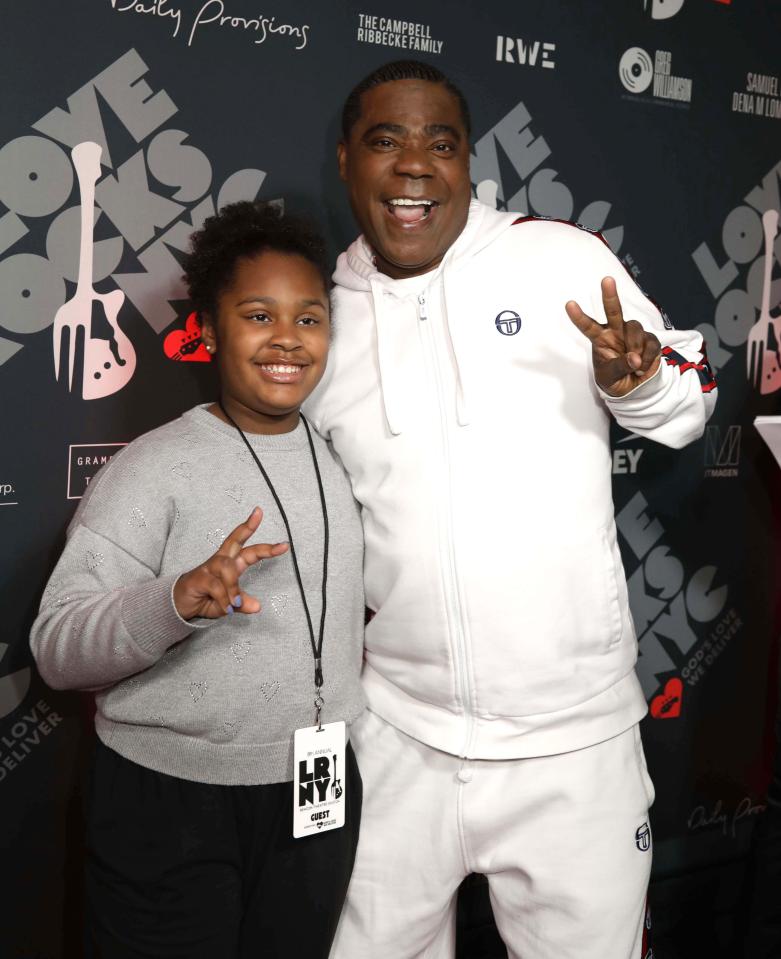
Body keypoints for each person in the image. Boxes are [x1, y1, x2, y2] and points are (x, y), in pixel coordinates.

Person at [303, 60, 717, 959]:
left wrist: (640, 383)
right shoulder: (321, 325)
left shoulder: (556, 260)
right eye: (386, 140)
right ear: (345, 162)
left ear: (468, 162)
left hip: (572, 744)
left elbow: (687, 403)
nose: (415, 166)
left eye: (439, 143)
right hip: (398, 733)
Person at [30, 202, 365, 959]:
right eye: (256, 314)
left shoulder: (346, 461)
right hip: (169, 800)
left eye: (308, 318)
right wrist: (173, 602)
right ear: (209, 330)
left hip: (315, 793)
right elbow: (56, 646)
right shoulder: (155, 466)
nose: (286, 338)